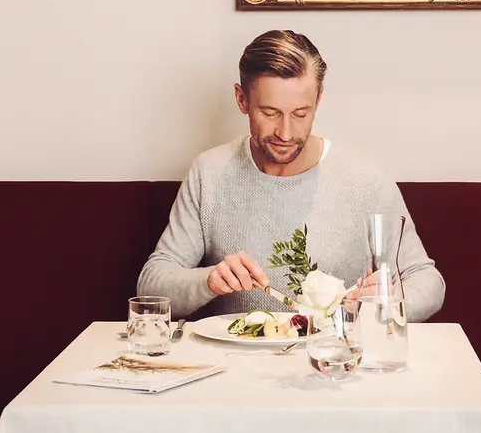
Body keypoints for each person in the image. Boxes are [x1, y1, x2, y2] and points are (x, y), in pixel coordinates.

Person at [137, 30, 445, 321]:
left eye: (300, 113)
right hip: (235, 366)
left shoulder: (366, 181)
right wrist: (209, 280)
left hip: (333, 363)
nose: (285, 133)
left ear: (318, 98)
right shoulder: (210, 172)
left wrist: (388, 304)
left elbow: (427, 281)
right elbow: (152, 285)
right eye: (270, 113)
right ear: (242, 100)